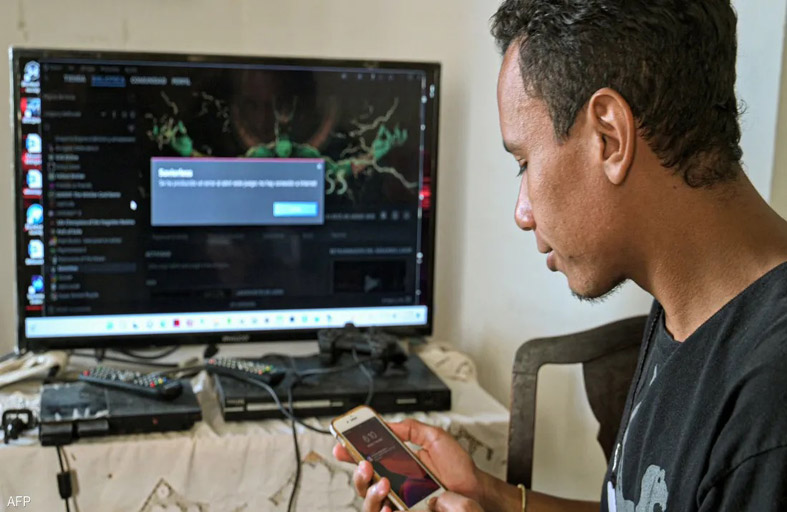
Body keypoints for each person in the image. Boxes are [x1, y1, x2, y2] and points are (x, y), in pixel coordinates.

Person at [335, 0, 787, 510]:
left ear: (610, 137)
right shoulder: (692, 308)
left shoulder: (769, 407)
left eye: (524, 162)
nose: (522, 213)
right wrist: (491, 496)